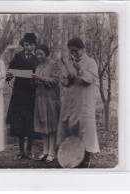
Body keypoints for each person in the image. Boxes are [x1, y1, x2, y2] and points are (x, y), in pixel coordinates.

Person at [57, 38, 100, 168]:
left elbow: (91, 79)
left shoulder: (91, 62)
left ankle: (86, 158)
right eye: (71, 51)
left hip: (84, 100)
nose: (73, 53)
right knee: (67, 125)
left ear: (83, 49)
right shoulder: (69, 62)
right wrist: (68, 78)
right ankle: (69, 157)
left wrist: (80, 70)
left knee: (85, 128)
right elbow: (64, 83)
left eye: (75, 51)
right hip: (70, 99)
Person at [6, 33, 38, 160]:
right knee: (18, 122)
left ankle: (29, 150)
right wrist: (9, 75)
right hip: (19, 94)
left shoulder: (37, 58)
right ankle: (20, 151)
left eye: (31, 45)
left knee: (30, 122)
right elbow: (11, 70)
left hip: (32, 94)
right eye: (26, 45)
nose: (28, 48)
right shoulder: (18, 56)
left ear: (35, 46)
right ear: (23, 45)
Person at [32, 44, 60, 163]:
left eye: (41, 54)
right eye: (37, 54)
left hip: (51, 98)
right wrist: (33, 79)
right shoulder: (38, 65)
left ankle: (52, 152)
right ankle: (45, 151)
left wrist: (41, 78)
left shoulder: (54, 64)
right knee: (43, 125)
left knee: (51, 125)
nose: (38, 56)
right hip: (40, 98)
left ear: (46, 53)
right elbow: (36, 81)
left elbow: (55, 81)